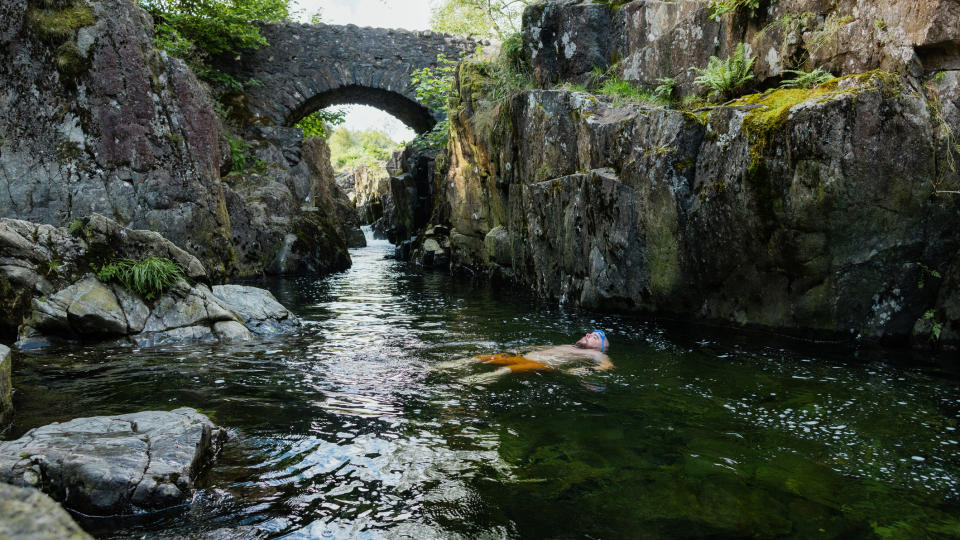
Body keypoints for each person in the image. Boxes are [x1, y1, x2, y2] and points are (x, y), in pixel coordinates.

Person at [435, 330, 614, 384]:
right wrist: (526, 348)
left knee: (505, 370)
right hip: (526, 356)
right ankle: (438, 368)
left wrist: (584, 370)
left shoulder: (592, 353)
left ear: (599, 347)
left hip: (541, 364)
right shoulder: (571, 346)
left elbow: (607, 366)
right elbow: (548, 348)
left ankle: (465, 383)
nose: (589, 334)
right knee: (479, 358)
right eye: (590, 333)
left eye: (595, 337)